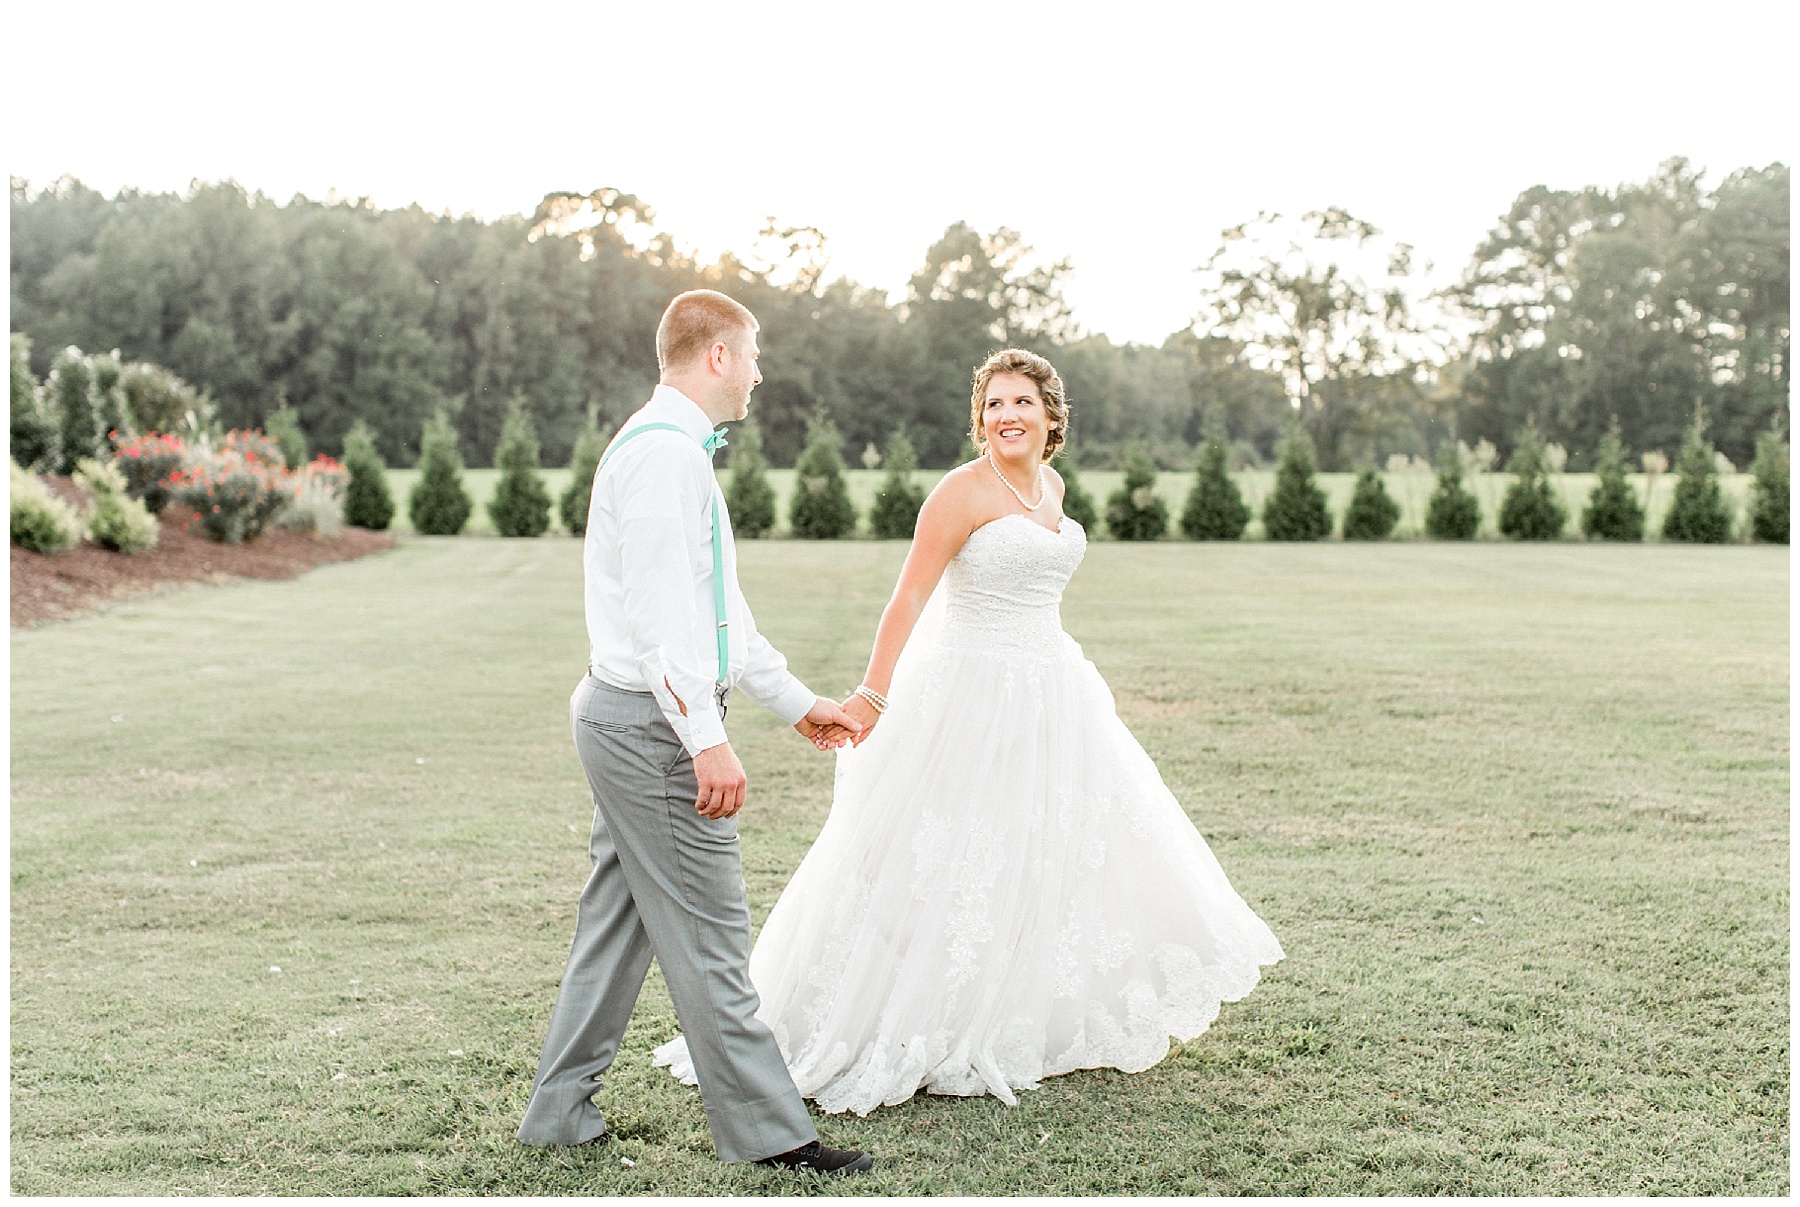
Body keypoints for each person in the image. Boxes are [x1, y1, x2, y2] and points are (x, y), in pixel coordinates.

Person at [654, 348, 1284, 1116]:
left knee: (1038, 848)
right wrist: (872, 697)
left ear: (1052, 416)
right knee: (941, 852)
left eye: (1022, 402)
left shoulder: (1051, 485)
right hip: (967, 695)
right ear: (980, 418)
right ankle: (904, 1013)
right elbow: (907, 597)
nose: (1006, 416)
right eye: (993, 405)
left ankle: (1017, 1007)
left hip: (1053, 692)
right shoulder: (961, 490)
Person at [517, 289, 873, 1174]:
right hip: (651, 727)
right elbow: (662, 620)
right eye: (753, 355)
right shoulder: (662, 460)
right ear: (717, 355)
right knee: (714, 932)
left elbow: (722, 616)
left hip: (639, 717)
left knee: (619, 923)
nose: (760, 372)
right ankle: (771, 1136)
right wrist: (706, 739)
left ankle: (560, 1110)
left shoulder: (678, 453)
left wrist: (798, 702)